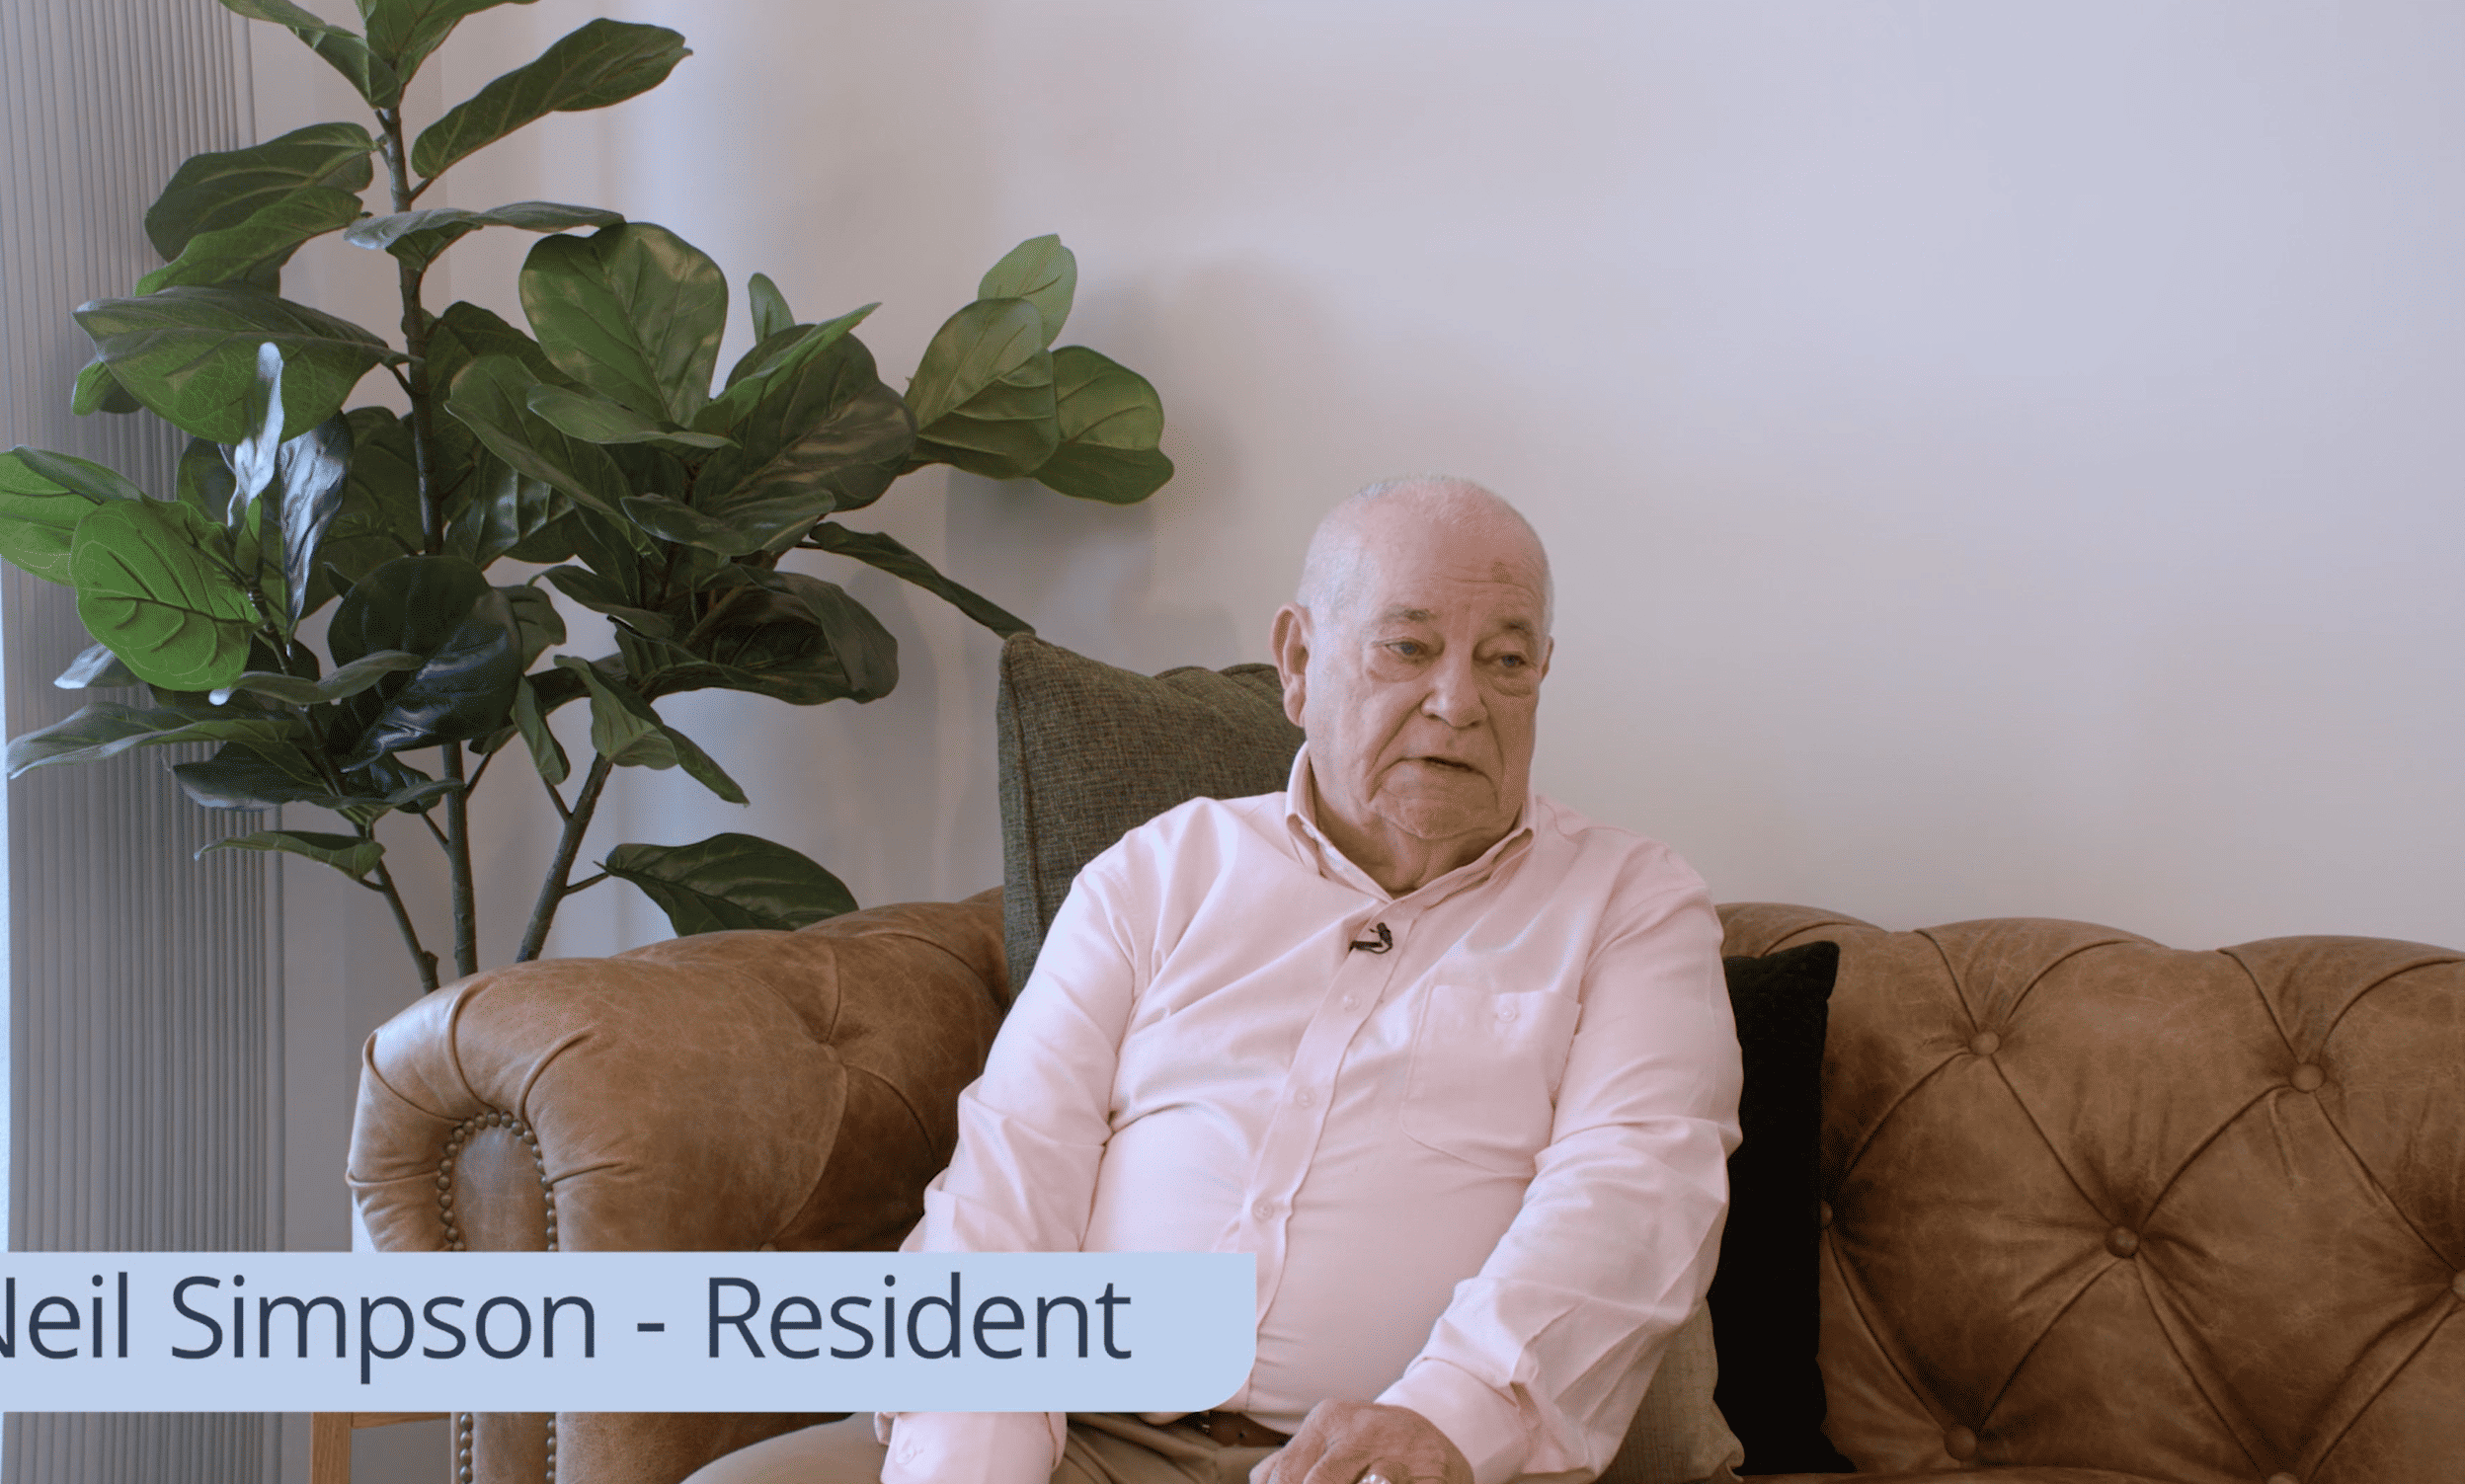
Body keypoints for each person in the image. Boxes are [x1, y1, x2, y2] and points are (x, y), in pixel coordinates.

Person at [693, 477, 1741, 1484]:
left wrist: (1443, 1421)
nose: (1458, 702)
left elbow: (1630, 1192)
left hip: (1399, 1456)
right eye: (1407, 648)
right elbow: (1013, 1173)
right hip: (1077, 1428)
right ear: (1296, 659)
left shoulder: (1629, 905)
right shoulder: (1161, 871)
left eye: (1505, 661)